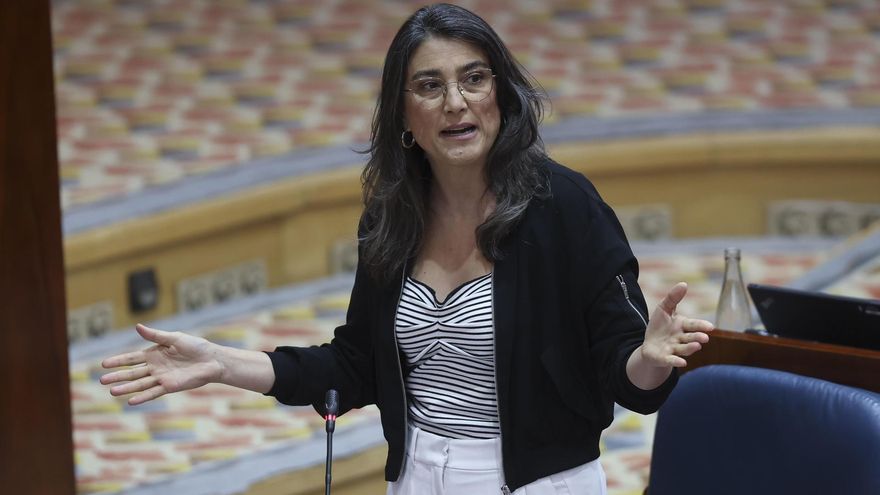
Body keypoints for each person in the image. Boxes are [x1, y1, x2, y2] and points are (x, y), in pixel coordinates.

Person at [101, 4, 714, 494]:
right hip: (416, 476)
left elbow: (628, 376)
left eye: (474, 79)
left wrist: (651, 357)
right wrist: (222, 364)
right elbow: (357, 364)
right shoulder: (393, 216)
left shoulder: (566, 207)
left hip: (540, 483)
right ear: (403, 114)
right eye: (430, 86)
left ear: (502, 95)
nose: (456, 102)